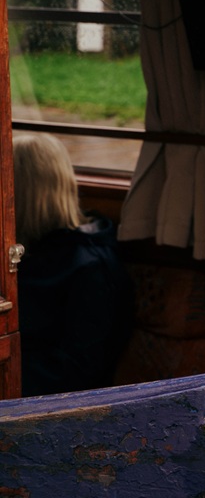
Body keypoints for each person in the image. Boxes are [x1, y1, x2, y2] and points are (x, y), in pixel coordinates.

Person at [13, 133, 135, 396]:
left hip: (52, 406)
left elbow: (78, 370)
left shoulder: (91, 268)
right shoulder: (27, 247)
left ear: (20, 195)